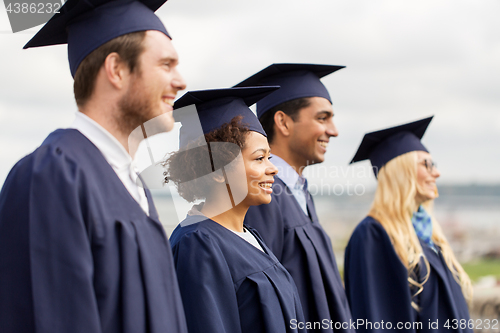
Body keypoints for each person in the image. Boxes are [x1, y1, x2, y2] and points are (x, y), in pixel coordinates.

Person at [0, 0, 188, 332]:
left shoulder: (132, 185)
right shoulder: (52, 176)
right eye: (166, 64)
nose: (180, 81)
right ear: (116, 69)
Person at [166, 86, 307, 333]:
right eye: (259, 158)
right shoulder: (197, 245)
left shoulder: (249, 235)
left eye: (269, 158)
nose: (273, 169)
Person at [235, 63, 355, 332]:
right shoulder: (263, 197)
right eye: (322, 118)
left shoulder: (299, 193)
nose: (333, 130)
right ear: (283, 122)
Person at [345, 116, 472, 333]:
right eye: (427, 164)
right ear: (400, 171)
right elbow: (379, 322)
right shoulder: (373, 236)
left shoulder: (428, 234)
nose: (437, 172)